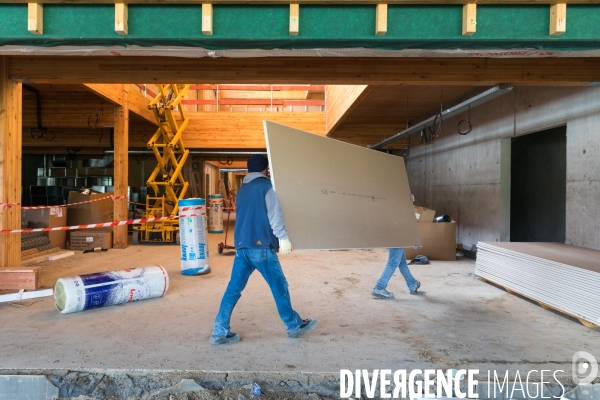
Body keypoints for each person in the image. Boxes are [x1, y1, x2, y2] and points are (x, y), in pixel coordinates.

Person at [210, 154, 317, 345]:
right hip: (261, 248)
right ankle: (293, 325)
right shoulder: (266, 187)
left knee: (233, 290)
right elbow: (275, 217)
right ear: (265, 169)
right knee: (279, 286)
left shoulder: (242, 190)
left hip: (242, 248)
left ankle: (219, 331)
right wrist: (283, 238)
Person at [371, 194, 421, 299]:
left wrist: (408, 201)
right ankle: (379, 287)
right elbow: (404, 220)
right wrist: (412, 240)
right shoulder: (395, 203)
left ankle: (412, 284)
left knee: (402, 263)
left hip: (394, 233)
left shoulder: (390, 202)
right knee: (393, 263)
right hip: (397, 234)